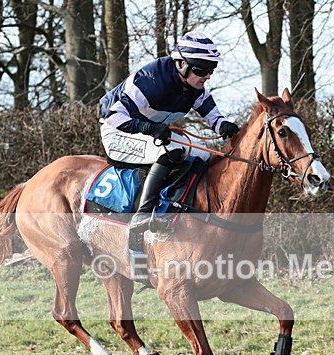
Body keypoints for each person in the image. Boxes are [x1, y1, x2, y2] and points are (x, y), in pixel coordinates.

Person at [98, 30, 240, 239]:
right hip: (118, 132)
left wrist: (222, 124)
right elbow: (112, 116)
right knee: (172, 150)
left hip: (147, 133)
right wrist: (149, 128)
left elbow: (207, 108)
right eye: (203, 70)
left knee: (202, 156)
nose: (208, 75)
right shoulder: (151, 81)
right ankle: (143, 214)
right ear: (182, 64)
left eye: (212, 69)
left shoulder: (192, 84)